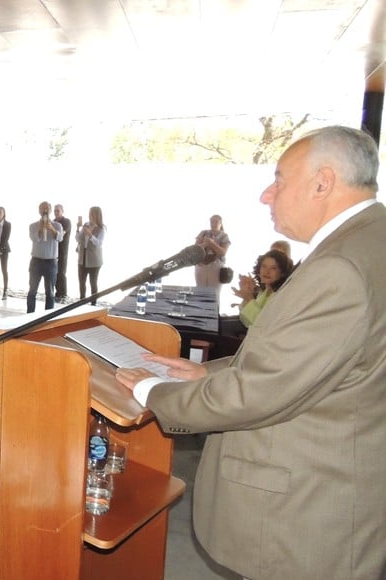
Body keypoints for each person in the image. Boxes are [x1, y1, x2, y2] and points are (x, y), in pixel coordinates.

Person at [115, 126, 386, 580]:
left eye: (279, 179)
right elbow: (323, 363)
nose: (267, 194)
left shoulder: (339, 267)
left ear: (323, 182)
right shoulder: (369, 242)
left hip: (302, 516)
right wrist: (208, 372)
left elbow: (257, 394)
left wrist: (152, 391)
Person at [232, 249, 293, 328]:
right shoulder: (265, 292)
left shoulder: (281, 295)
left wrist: (249, 298)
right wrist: (247, 295)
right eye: (264, 266)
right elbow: (246, 321)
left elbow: (263, 325)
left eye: (273, 268)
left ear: (282, 273)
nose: (267, 271)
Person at [26, 201, 64, 313]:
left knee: (50, 293)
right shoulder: (33, 226)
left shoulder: (58, 225)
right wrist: (41, 229)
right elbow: (36, 239)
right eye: (43, 208)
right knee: (32, 291)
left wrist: (51, 229)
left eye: (47, 208)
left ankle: (47, 319)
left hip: (51, 263)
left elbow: (60, 238)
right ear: (39, 210)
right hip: (36, 261)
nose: (45, 211)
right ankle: (29, 318)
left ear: (50, 211)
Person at [76, 206, 106, 303]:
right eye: (89, 213)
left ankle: (93, 304)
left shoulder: (101, 228)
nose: (89, 216)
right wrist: (78, 228)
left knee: (93, 283)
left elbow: (99, 243)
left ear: (97, 215)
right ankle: (81, 304)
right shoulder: (86, 225)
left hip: (94, 260)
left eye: (91, 214)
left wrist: (90, 235)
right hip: (82, 257)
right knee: (81, 283)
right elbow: (78, 239)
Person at [194, 214, 231, 286]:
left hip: (216, 267)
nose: (213, 224)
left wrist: (212, 244)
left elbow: (223, 253)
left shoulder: (224, 236)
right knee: (200, 290)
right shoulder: (203, 233)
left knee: (214, 292)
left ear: (220, 223)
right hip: (201, 265)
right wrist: (205, 244)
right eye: (211, 222)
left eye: (216, 222)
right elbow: (195, 249)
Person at [52, 204, 72, 302]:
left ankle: (63, 294)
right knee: (54, 272)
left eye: (58, 211)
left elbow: (61, 234)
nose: (56, 213)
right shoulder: (53, 222)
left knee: (61, 272)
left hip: (63, 250)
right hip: (53, 250)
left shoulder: (66, 221)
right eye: (55, 211)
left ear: (62, 211)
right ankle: (57, 294)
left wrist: (53, 231)